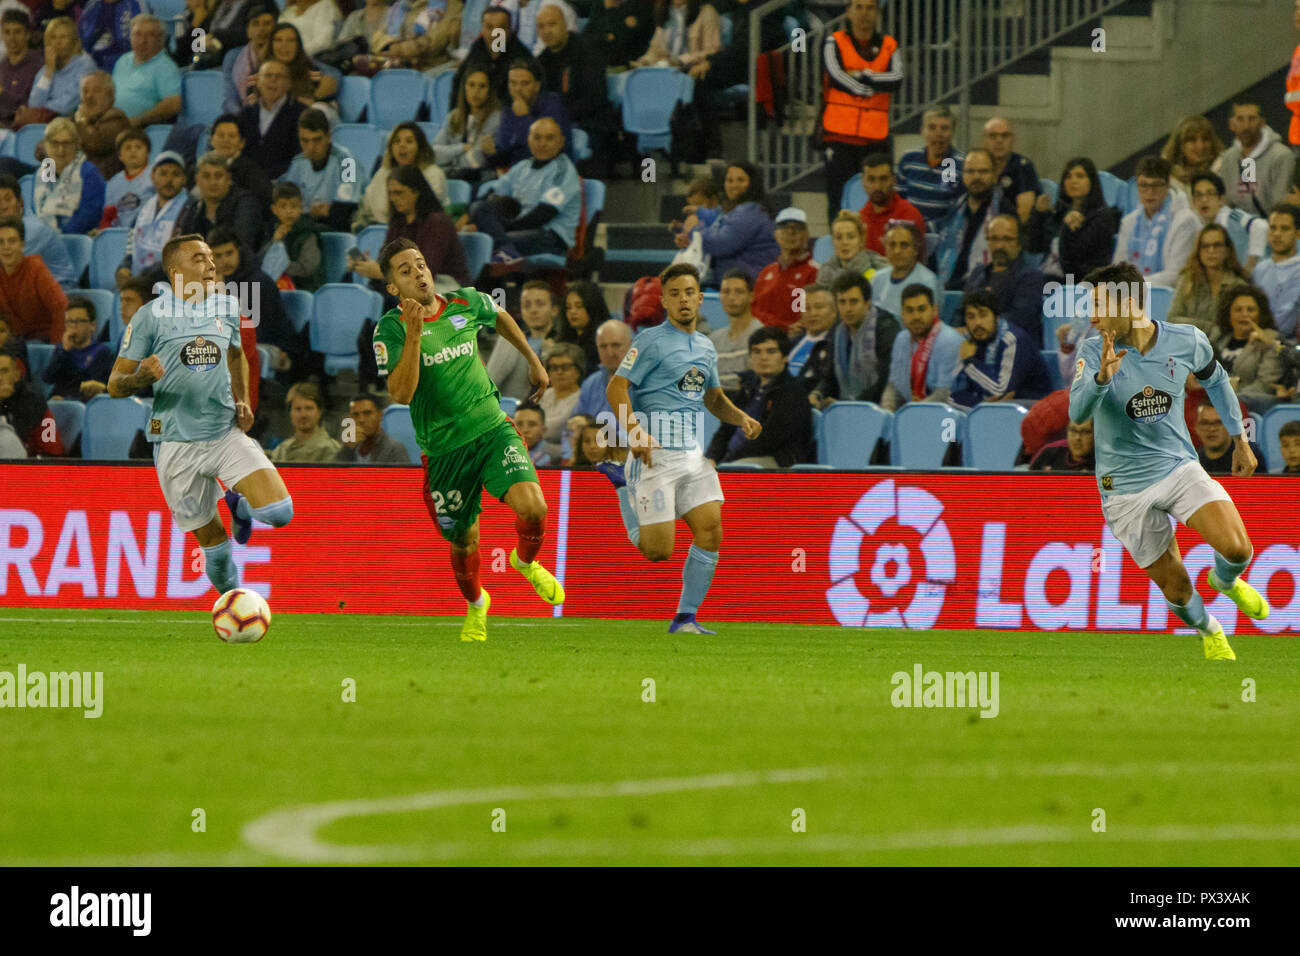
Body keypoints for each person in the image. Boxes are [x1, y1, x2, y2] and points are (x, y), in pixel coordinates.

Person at [1068, 261, 1268, 661]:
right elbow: (1077, 413)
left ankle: (1225, 581)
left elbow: (1216, 382)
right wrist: (1102, 379)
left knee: (1238, 550)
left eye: (1098, 304)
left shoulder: (1186, 340)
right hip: (1123, 489)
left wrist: (1240, 441)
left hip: (1177, 467)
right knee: (1176, 589)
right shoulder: (1094, 352)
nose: (1091, 316)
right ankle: (1210, 629)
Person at [372, 236, 564, 642]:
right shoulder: (388, 330)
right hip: (444, 452)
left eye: (420, 264)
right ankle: (477, 604)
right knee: (463, 540)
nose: (418, 273)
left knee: (534, 506)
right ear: (393, 288)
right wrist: (412, 333)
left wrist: (533, 361)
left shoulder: (465, 302)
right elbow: (401, 395)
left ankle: (525, 562)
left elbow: (501, 317)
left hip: (492, 428)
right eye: (405, 271)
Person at [107, 232, 294, 596]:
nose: (211, 265)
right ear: (175, 271)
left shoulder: (227, 306)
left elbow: (236, 353)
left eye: (211, 258)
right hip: (176, 444)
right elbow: (114, 384)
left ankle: (238, 505)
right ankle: (234, 606)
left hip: (224, 433)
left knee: (279, 512)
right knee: (218, 554)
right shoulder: (151, 317)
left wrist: (242, 400)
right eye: (199, 259)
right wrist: (141, 378)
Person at [604, 262, 760, 634]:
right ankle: (624, 486)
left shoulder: (706, 347)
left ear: (700, 298)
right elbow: (616, 387)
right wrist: (635, 433)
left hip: (691, 454)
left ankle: (685, 618)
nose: (683, 299)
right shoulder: (650, 341)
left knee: (711, 530)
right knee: (658, 552)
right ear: (664, 301)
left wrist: (742, 419)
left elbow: (713, 398)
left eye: (689, 292)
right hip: (655, 453)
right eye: (674, 294)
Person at [818, 0, 901, 221]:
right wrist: (867, 88)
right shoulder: (832, 41)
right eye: (859, 7)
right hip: (838, 135)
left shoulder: (890, 45)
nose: (864, 13)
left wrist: (861, 75)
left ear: (878, 13)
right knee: (837, 200)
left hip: (874, 137)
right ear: (848, 12)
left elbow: (896, 79)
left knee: (879, 199)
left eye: (870, 8)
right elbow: (835, 76)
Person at [465, 116, 579, 264]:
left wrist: (504, 229)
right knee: (479, 207)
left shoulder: (563, 171)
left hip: (549, 236)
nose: (542, 143)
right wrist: (472, 215)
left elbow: (544, 213)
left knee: (482, 244)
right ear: (528, 140)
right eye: (537, 137)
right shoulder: (522, 167)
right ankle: (505, 250)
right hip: (518, 228)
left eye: (549, 138)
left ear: (561, 142)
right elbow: (493, 192)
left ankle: (504, 249)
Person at [705, 325, 809, 468]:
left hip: (776, 462)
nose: (763, 357)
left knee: (738, 470)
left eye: (771, 351)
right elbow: (725, 430)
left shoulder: (792, 392)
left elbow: (768, 441)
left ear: (785, 357)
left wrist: (726, 462)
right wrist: (712, 458)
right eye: (757, 352)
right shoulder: (747, 388)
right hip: (734, 460)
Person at [352, 164, 470, 290]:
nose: (393, 199)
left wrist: (381, 272)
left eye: (399, 193)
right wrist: (367, 265)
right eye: (391, 194)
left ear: (416, 192)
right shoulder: (397, 221)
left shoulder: (437, 222)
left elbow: (426, 270)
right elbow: (386, 259)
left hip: (444, 285)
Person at [535, 4, 616, 171]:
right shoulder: (542, 61)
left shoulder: (587, 51)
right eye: (541, 26)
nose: (547, 31)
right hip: (557, 124)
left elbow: (594, 98)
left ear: (565, 25)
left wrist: (560, 118)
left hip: (591, 123)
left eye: (552, 24)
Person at [676, 161, 779, 283]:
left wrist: (696, 229)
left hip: (749, 286)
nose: (734, 185)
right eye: (729, 180)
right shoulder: (737, 208)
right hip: (735, 282)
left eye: (740, 180)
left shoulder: (750, 211)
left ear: (752, 184)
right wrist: (692, 240)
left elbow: (719, 245)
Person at [949, 288, 1052, 409]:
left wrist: (969, 362)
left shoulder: (1013, 340)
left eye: (983, 315)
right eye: (971, 317)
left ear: (996, 317)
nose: (977, 323)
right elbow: (951, 388)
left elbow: (998, 391)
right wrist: (981, 404)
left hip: (1032, 407)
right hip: (993, 406)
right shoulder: (967, 341)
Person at [1024, 156, 1121, 281]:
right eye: (1068, 176)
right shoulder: (1060, 213)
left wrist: (1067, 230)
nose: (1073, 181)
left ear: (1091, 181)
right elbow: (1034, 247)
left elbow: (1076, 260)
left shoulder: (1102, 216)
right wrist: (1039, 215)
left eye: (1080, 176)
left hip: (1080, 282)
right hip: (1049, 277)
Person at [1113, 155, 1200, 288]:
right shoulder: (1129, 222)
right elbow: (1118, 268)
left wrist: (1135, 285)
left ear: (1167, 186)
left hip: (1171, 294)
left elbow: (1176, 274)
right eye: (1144, 185)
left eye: (1156, 185)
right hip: (1132, 293)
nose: (1149, 192)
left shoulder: (1184, 220)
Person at [962, 213, 1046, 346]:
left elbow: (1018, 319)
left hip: (1015, 348)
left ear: (1019, 244)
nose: (999, 246)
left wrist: (973, 328)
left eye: (1007, 239)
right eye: (994, 239)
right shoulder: (978, 274)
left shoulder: (1031, 277)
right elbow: (960, 315)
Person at [815, 270, 897, 408]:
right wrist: (818, 393)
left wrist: (850, 405)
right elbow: (830, 377)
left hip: (879, 410)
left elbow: (885, 381)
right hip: (846, 408)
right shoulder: (837, 331)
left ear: (867, 303)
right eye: (842, 302)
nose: (848, 309)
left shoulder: (886, 328)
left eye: (853, 302)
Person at [933, 148, 1009, 291]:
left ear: (994, 175)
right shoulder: (955, 210)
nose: (976, 177)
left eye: (983, 172)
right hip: (947, 286)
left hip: (986, 290)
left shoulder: (1004, 213)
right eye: (970, 172)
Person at [880, 283, 962, 411]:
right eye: (910, 310)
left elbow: (944, 395)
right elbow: (893, 387)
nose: (916, 316)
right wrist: (887, 412)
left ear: (934, 310)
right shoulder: (901, 339)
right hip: (912, 415)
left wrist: (910, 416)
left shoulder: (949, 340)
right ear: (902, 313)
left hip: (946, 418)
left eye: (922, 309)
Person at [284, 107, 368, 232]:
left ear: (328, 136)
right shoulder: (297, 163)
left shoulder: (347, 163)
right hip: (306, 225)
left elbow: (346, 209)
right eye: (305, 141)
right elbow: (285, 203)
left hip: (339, 227)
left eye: (317, 140)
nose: (311, 147)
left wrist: (327, 211)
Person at [357, 122, 450, 229]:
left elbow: (427, 211)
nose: (402, 145)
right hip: (382, 229)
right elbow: (367, 206)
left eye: (409, 141)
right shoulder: (383, 173)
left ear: (420, 147)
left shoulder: (434, 174)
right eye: (396, 141)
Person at [1212, 285, 1287, 414]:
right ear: (1229, 314)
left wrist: (1231, 394)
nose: (1244, 314)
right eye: (1238, 310)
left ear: (1260, 315)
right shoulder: (1218, 336)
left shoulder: (1270, 339)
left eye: (1250, 310)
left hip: (1248, 400)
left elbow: (1265, 384)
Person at [116, 149, 186, 284]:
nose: (169, 180)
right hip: (141, 282)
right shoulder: (144, 208)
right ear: (153, 176)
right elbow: (131, 246)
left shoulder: (188, 209)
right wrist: (125, 266)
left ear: (184, 179)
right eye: (163, 173)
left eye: (175, 174)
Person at [1168, 223, 1249, 338]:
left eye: (1217, 245)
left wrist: (1192, 325)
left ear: (1227, 250)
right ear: (1198, 251)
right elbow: (1172, 320)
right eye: (1205, 246)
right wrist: (1210, 327)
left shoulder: (1239, 287)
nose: (1211, 251)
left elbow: (1232, 329)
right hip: (1188, 345)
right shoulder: (1187, 280)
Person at [1217, 100, 1295, 218]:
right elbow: (1228, 202)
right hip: (1237, 230)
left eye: (1252, 119)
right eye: (1240, 119)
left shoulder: (1281, 156)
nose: (1246, 126)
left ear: (1262, 122)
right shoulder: (1229, 157)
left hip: (1271, 229)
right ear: (1231, 124)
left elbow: (1280, 204)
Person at [0, 174, 76, 290]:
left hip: (60, 291)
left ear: (20, 202)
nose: (3, 207)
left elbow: (9, 264)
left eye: (7, 199)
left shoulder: (34, 228)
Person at [493, 58, 571, 171]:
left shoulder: (553, 105)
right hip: (520, 174)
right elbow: (504, 149)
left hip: (553, 171)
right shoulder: (509, 109)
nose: (518, 89)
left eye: (525, 83)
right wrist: (490, 153)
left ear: (537, 86)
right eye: (513, 83)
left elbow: (545, 150)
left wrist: (523, 117)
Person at [175, 151, 264, 250]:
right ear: (197, 180)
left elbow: (241, 245)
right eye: (206, 176)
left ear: (229, 179)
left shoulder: (246, 205)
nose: (213, 182)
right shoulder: (194, 210)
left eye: (218, 176)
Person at [0, 216, 68, 343]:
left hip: (43, 338)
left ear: (22, 245)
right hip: (14, 343)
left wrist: (56, 348)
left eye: (12, 241)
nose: (6, 247)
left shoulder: (35, 269)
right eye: (1, 242)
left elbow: (60, 306)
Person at [32, 117, 106, 234]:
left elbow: (89, 215)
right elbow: (36, 212)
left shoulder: (89, 173)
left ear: (76, 145)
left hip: (79, 238)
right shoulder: (43, 172)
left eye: (66, 143)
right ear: (46, 145)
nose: (61, 149)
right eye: (55, 143)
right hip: (46, 239)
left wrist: (59, 236)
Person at [237, 60, 307, 182]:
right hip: (247, 182)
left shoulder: (301, 114)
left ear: (289, 83)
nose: (273, 80)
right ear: (258, 81)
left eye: (279, 76)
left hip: (284, 183)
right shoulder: (246, 114)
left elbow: (300, 158)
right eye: (268, 75)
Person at [452, 5, 536, 105]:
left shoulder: (522, 57)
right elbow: (459, 82)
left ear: (510, 30)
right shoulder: (478, 46)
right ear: (482, 29)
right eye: (489, 27)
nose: (495, 34)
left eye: (500, 28)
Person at [751, 207, 819, 330]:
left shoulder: (814, 272)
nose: (790, 233)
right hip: (760, 337)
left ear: (807, 234)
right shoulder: (767, 271)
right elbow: (753, 309)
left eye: (796, 228)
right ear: (776, 234)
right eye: (784, 227)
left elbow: (809, 315)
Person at [488, 280, 557, 400]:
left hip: (544, 407)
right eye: (527, 305)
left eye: (540, 304)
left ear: (554, 310)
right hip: (508, 406)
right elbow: (491, 378)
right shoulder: (509, 341)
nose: (533, 310)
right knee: (508, 339)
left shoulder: (562, 341)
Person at [431, 67, 502, 184]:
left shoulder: (496, 119)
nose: (476, 91)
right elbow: (433, 154)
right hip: (450, 175)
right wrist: (461, 148)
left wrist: (448, 159)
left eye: (482, 86)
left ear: (490, 90)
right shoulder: (454, 116)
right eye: (471, 85)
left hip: (479, 180)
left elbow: (475, 161)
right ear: (464, 88)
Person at [1187, 171, 1266, 273]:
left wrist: (1251, 263)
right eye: (1199, 195)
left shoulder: (1232, 216)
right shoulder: (1201, 229)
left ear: (1221, 199)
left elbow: (1261, 226)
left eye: (1210, 194)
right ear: (1193, 201)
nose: (1204, 200)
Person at [897, 104, 963, 224]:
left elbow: (955, 211)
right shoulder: (908, 160)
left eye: (944, 128)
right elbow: (898, 201)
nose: (938, 134)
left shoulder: (958, 164)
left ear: (952, 132)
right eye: (932, 128)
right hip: (908, 233)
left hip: (941, 236)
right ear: (922, 130)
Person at [21, 16, 95, 123]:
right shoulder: (47, 67)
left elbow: (66, 106)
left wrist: (41, 110)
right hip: (43, 123)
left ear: (73, 40)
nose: (57, 42)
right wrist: (48, 73)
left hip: (72, 125)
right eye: (53, 37)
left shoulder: (86, 66)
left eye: (63, 37)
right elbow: (33, 104)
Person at [110, 14, 180, 127]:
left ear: (160, 39)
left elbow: (173, 103)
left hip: (140, 129)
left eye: (150, 35)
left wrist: (140, 119)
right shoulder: (122, 61)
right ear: (130, 37)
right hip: (113, 123)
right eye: (138, 34)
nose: (142, 41)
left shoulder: (165, 67)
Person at [258, 180, 325, 292]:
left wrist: (279, 266)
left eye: (293, 206)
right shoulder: (272, 230)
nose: (289, 211)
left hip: (305, 288)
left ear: (301, 208)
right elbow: (260, 261)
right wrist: (274, 241)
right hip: (280, 285)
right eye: (283, 206)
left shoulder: (308, 233)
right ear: (274, 210)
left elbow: (306, 269)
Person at [45, 294, 113, 401]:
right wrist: (63, 352)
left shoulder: (101, 351)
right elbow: (48, 378)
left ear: (92, 325)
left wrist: (66, 354)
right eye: (69, 321)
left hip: (82, 402)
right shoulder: (61, 350)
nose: (73, 326)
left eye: (78, 321)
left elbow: (86, 384)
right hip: (57, 401)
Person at [708, 268, 763, 396]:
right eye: (726, 292)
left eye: (739, 292)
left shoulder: (761, 335)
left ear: (751, 296)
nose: (731, 298)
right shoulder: (713, 339)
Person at [369, 0, 463, 73]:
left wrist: (392, 48)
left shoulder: (452, 6)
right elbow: (376, 41)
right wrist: (398, 48)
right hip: (397, 72)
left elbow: (429, 45)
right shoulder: (398, 7)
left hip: (433, 73)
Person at [871, 220, 940, 319]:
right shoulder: (877, 278)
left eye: (904, 245)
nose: (897, 251)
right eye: (892, 244)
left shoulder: (927, 281)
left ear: (915, 249)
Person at [856, 153, 924, 253]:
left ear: (894, 180)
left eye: (883, 179)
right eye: (871, 179)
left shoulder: (909, 215)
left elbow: (908, 264)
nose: (877, 186)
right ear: (863, 182)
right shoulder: (859, 218)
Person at [206, 113, 274, 213]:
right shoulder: (202, 165)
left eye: (232, 136)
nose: (226, 140)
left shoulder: (252, 172)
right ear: (211, 140)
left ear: (242, 143)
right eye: (221, 135)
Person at [1251, 203, 1300, 339]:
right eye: (1273, 228)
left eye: (1284, 228)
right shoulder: (1260, 268)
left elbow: (1284, 325)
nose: (1277, 234)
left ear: (1297, 233)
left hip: (1283, 347)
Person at [69, 69, 128, 179]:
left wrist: (82, 121)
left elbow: (94, 143)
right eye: (85, 91)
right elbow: (42, 147)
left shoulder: (117, 119)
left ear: (110, 96)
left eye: (96, 90)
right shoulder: (74, 118)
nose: (89, 96)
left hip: (98, 181)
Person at [631, 0, 720, 71]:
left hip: (693, 72)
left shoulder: (706, 12)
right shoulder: (665, 12)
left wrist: (680, 60)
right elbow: (655, 50)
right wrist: (644, 62)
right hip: (667, 72)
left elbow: (713, 50)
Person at [981, 116, 1040, 223]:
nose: (999, 141)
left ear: (1013, 140)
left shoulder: (1023, 166)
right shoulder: (976, 165)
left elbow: (1024, 215)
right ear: (984, 140)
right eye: (993, 136)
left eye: (1005, 135)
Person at [573, 318, 632, 421]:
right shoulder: (591, 383)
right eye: (603, 346)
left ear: (631, 346)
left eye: (616, 345)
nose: (610, 353)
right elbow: (571, 427)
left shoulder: (646, 383)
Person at [225, 1, 276, 115]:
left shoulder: (283, 54)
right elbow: (230, 100)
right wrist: (244, 117)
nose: (261, 29)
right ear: (248, 31)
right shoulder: (232, 57)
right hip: (242, 115)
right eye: (255, 24)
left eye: (267, 24)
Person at [270, 381, 341, 461]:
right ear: (290, 413)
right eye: (298, 409)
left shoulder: (330, 449)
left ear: (320, 412)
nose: (303, 415)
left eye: (309, 408)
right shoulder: (281, 450)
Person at [98, 126, 152, 229]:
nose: (133, 151)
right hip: (119, 235)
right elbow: (107, 218)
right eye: (128, 148)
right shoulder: (113, 183)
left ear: (148, 152)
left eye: (138, 147)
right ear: (120, 156)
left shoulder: (155, 175)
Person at [818, 210, 886, 290]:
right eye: (838, 237)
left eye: (851, 237)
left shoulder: (880, 269)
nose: (844, 242)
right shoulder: (824, 274)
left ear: (861, 240)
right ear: (833, 241)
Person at [787, 282, 836, 394]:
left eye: (819, 307)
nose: (813, 313)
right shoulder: (790, 343)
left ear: (834, 311)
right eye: (807, 308)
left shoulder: (837, 344)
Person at [1193, 399, 1264, 475]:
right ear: (1196, 427)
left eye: (1219, 422)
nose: (1211, 429)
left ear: (1231, 426)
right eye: (1204, 423)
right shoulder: (1192, 461)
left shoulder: (1248, 457)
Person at [335, 393, 410, 464]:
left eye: (367, 413)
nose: (361, 420)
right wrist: (347, 448)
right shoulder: (350, 447)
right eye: (355, 415)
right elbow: (334, 474)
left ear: (380, 415)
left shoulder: (393, 449)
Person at [538, 340, 583, 457]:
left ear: (578, 371)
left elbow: (555, 430)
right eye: (553, 367)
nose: (559, 372)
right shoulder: (543, 394)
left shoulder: (581, 399)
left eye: (565, 367)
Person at [1161, 115, 1223, 199]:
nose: (1200, 146)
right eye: (1193, 140)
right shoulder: (1166, 179)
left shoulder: (1224, 169)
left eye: (1205, 139)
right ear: (1180, 145)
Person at [583, 0, 654, 68]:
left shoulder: (641, 5)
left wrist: (611, 10)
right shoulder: (601, 3)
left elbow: (628, 37)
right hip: (599, 57)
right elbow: (588, 34)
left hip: (627, 60)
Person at [0, 10, 41, 128]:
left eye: (17, 32)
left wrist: (2, 94)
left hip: (23, 131)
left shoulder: (38, 65)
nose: (12, 38)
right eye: (7, 32)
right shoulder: (2, 65)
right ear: (2, 35)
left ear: (27, 34)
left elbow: (31, 108)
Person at [79, 0, 143, 71]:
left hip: (122, 60)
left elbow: (136, 41)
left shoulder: (133, 5)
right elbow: (82, 37)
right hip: (91, 61)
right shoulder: (92, 5)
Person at [559, 280, 606, 372]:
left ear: (592, 307)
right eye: (568, 307)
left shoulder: (602, 342)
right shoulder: (563, 341)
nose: (572, 311)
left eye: (579, 306)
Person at [1028, 419, 1096, 472]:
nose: (1077, 438)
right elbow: (1028, 485)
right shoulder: (1049, 453)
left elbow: (1106, 488)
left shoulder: (1104, 462)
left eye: (1085, 432)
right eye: (1073, 430)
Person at [513, 400, 552, 466]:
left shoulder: (553, 456)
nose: (525, 430)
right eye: (519, 424)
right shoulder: (500, 452)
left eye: (532, 424)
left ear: (543, 430)